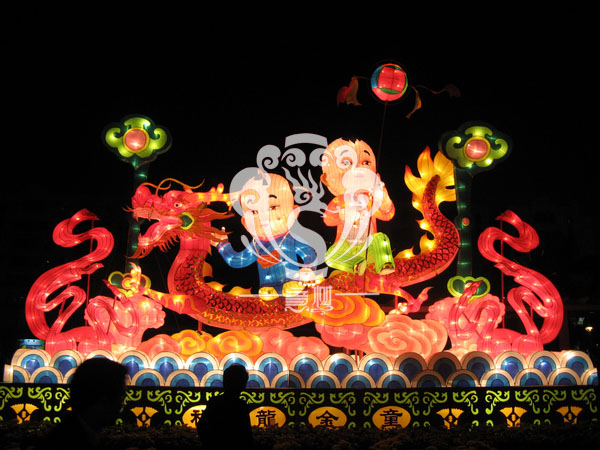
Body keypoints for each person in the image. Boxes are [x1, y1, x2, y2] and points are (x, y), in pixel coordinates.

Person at [216, 171, 317, 299]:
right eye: (254, 212)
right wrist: (222, 244)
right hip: (267, 287)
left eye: (273, 207)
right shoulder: (256, 245)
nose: (263, 216)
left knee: (291, 288)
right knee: (267, 293)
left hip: (292, 281)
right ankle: (269, 287)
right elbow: (237, 260)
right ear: (245, 223)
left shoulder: (289, 239)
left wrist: (308, 268)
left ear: (294, 213)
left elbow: (309, 253)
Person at [320, 138, 396, 276]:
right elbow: (327, 219)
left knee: (381, 238)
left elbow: (387, 215)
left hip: (369, 246)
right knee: (330, 256)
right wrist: (341, 214)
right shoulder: (339, 200)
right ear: (326, 179)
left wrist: (384, 199)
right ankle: (355, 265)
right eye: (346, 163)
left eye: (365, 162)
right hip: (346, 246)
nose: (358, 168)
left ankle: (384, 264)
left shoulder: (372, 199)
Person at [39, 357, 127, 450]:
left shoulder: (77, 434)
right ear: (103, 399)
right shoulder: (67, 441)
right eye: (120, 397)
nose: (120, 405)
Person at [197, 364, 254, 449]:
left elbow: (202, 427)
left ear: (224, 382)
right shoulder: (241, 406)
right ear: (242, 384)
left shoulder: (214, 402)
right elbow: (246, 436)